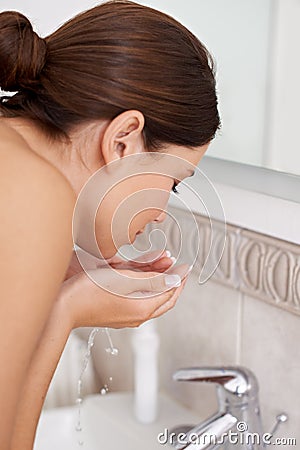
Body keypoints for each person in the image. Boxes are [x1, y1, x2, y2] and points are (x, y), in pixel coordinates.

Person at [0, 1, 220, 449]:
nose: (160, 212)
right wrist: (66, 313)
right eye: (174, 182)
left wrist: (60, 290)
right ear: (123, 140)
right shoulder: (37, 193)